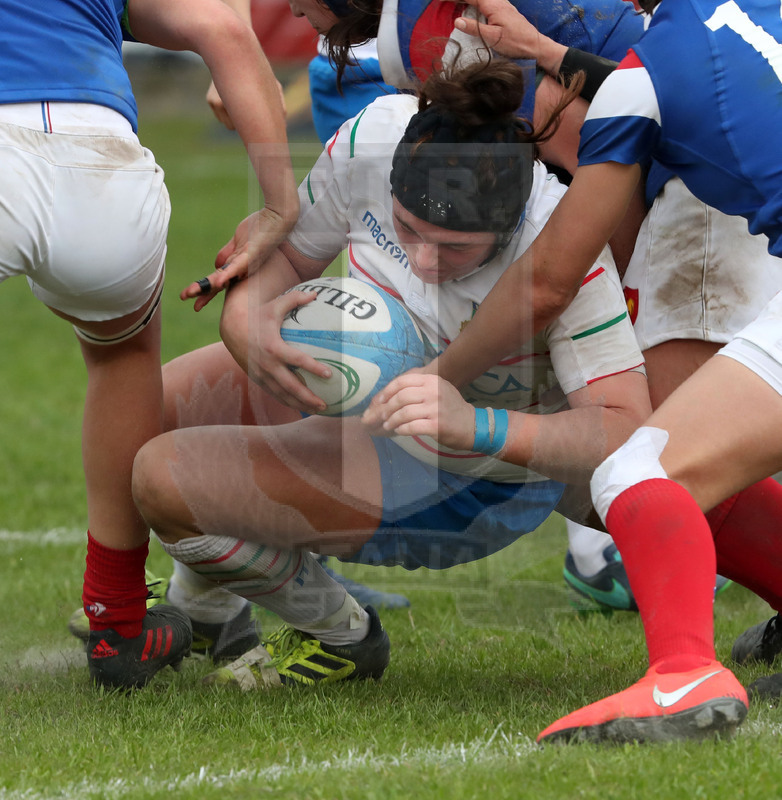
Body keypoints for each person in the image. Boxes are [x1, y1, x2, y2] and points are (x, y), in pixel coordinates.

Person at [128, 57, 651, 690]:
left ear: (508, 227)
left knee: (163, 480)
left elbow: (625, 427)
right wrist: (245, 324)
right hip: (355, 385)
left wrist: (477, 426)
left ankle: (341, 636)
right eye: (405, 230)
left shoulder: (559, 240)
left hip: (464, 480)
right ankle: (207, 611)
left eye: (456, 249)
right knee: (144, 407)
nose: (423, 259)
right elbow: (287, 256)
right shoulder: (376, 136)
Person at [392, 0, 782, 743]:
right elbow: (709, 87)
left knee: (638, 471)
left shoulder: (644, 80)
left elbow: (549, 279)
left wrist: (445, 376)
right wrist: (545, 49)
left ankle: (683, 676)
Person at [0, 0, 298, 690]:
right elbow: (224, 29)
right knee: (123, 357)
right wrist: (280, 205)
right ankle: (119, 625)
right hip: (100, 164)